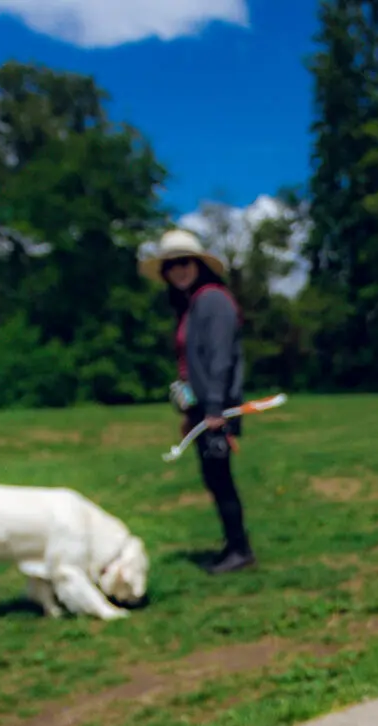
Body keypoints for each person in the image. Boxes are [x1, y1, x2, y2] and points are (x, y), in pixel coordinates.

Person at [141, 228, 253, 574]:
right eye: (171, 264)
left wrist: (215, 408)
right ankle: (233, 545)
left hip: (217, 410)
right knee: (213, 477)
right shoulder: (191, 305)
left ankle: (240, 549)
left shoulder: (212, 299)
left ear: (198, 264)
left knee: (220, 477)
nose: (178, 269)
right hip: (203, 410)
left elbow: (220, 359)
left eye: (184, 262)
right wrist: (192, 412)